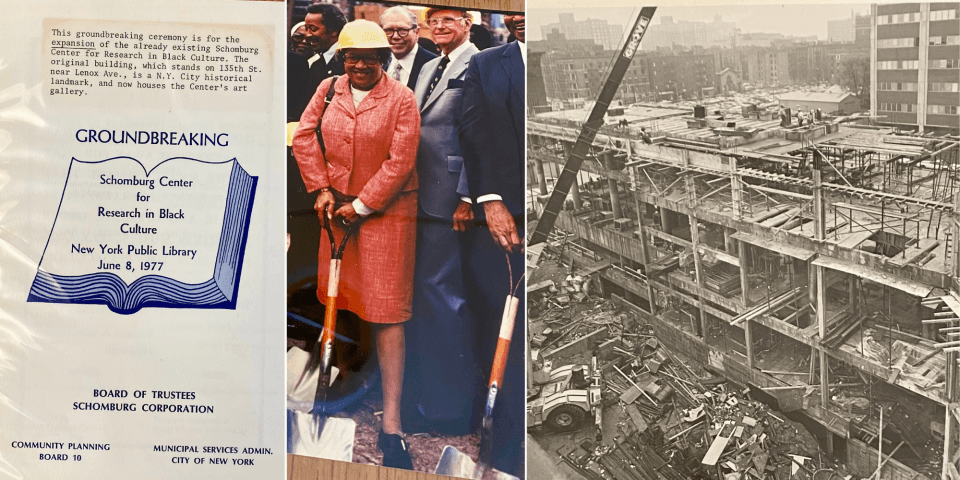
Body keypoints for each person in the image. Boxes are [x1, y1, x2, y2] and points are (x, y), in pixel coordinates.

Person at [292, 19, 420, 470]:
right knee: (338, 301)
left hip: (386, 215)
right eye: (352, 57)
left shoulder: (401, 99)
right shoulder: (329, 88)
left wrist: (363, 205)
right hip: (334, 211)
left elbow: (401, 159)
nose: (360, 65)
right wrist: (320, 187)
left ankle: (393, 426)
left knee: (386, 314)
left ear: (385, 60)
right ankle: (337, 397)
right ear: (342, 58)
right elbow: (305, 137)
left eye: (370, 57)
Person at [402, 7, 480, 435]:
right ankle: (431, 400)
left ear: (468, 23)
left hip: (449, 198)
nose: (440, 27)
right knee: (429, 298)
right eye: (434, 20)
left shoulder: (479, 63)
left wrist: (467, 196)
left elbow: (476, 131)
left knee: (445, 300)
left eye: (450, 19)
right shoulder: (431, 65)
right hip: (417, 194)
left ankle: (450, 412)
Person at [459, 13, 526, 479]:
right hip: (506, 215)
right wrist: (491, 200)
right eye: (513, 9)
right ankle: (499, 442)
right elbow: (474, 133)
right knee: (500, 322)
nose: (521, 13)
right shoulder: (487, 65)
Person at [380, 6, 436, 91]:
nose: (395, 36)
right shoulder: (378, 63)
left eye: (403, 30)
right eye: (388, 30)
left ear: (416, 32)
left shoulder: (435, 65)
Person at [303, 3, 347, 91]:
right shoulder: (315, 62)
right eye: (306, 28)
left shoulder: (346, 62)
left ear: (334, 30)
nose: (307, 34)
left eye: (313, 28)